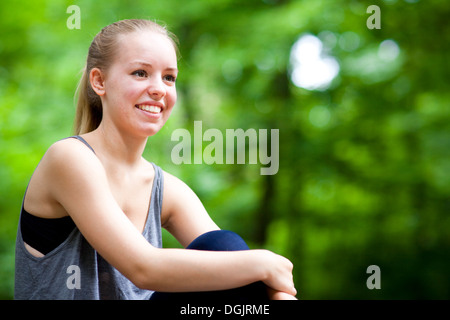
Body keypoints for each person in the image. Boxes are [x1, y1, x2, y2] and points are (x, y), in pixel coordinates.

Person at [14, 19, 297, 300]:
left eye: (169, 77)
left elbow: (237, 268)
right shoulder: (70, 158)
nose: (159, 88)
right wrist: (263, 262)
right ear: (99, 81)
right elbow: (143, 268)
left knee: (222, 244)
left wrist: (271, 283)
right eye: (140, 73)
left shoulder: (165, 189)